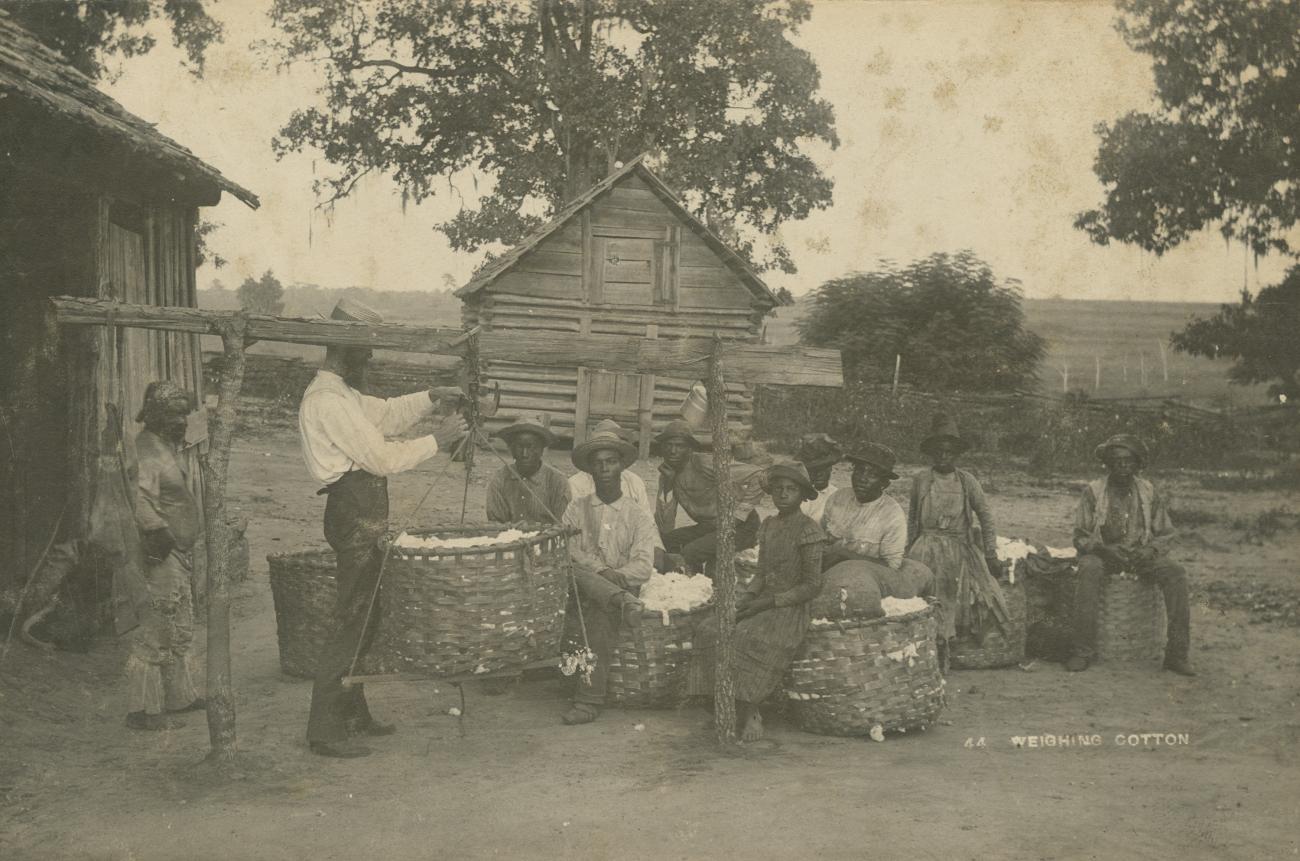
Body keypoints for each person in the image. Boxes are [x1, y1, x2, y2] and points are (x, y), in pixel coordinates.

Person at [298, 298, 468, 758]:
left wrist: (431, 396)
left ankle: (352, 713)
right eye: (365, 351)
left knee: (366, 614)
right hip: (353, 508)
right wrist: (440, 440)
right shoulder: (327, 401)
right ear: (343, 350)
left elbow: (387, 414)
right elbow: (382, 457)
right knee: (352, 616)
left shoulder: (345, 395)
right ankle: (325, 730)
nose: (370, 358)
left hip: (363, 506)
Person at [686, 461, 825, 742]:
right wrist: (747, 598)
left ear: (802, 495)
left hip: (790, 606)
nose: (784, 495)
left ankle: (751, 709)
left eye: (791, 490)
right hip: (762, 599)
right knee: (711, 628)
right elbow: (761, 572)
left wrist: (769, 602)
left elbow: (811, 585)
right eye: (778, 489)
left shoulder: (809, 530)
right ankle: (721, 703)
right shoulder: (769, 525)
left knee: (749, 636)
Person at [1067, 434, 1194, 675]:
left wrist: (1149, 550)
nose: (1123, 467)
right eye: (1117, 461)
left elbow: (1166, 533)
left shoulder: (1148, 492)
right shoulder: (1093, 492)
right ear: (1108, 464)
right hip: (1104, 554)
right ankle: (1082, 651)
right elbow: (1081, 535)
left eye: (1128, 461)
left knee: (1175, 573)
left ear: (1137, 465)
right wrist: (1104, 549)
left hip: (1139, 555)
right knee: (1088, 568)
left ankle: (1177, 654)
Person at [560, 420, 655, 725]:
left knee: (601, 614)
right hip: (591, 586)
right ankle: (617, 600)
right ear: (589, 470)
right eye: (598, 463)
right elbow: (568, 551)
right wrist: (601, 572)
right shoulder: (576, 508)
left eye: (611, 462)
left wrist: (616, 578)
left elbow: (643, 565)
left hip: (622, 586)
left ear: (621, 468)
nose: (604, 469)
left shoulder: (637, 515)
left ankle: (588, 700)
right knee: (571, 571)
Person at [126, 381, 203, 731]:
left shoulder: (166, 447)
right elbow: (141, 501)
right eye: (174, 415)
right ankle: (143, 710)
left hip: (179, 551)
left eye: (183, 415)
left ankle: (179, 698)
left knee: (179, 623)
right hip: (162, 551)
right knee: (158, 626)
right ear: (156, 416)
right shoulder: (147, 450)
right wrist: (162, 538)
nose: (182, 421)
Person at [906, 413, 1008, 659]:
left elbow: (985, 517)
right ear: (931, 453)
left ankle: (947, 642)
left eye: (949, 452)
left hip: (958, 547)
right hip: (925, 546)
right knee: (917, 593)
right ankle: (925, 643)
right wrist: (906, 552)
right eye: (938, 452)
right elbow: (912, 519)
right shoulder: (921, 480)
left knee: (968, 595)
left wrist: (991, 553)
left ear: (956, 454)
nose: (943, 456)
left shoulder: (967, 481)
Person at [821, 442, 935, 597]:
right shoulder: (838, 499)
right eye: (859, 471)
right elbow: (822, 539)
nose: (862, 479)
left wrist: (845, 554)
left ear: (884, 483)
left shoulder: (892, 515)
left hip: (866, 584)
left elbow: (891, 568)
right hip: (828, 575)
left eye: (872, 475)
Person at [654, 419, 766, 575]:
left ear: (690, 449)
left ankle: (702, 582)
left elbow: (759, 475)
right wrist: (668, 485)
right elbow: (666, 527)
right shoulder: (667, 474)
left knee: (691, 551)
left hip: (742, 527)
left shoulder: (704, 462)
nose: (673, 451)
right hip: (710, 527)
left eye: (679, 446)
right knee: (667, 541)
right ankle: (692, 580)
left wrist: (739, 515)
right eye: (668, 445)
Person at [568, 420, 668, 569]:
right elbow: (576, 535)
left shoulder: (634, 482)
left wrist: (656, 547)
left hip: (627, 550)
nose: (605, 467)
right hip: (592, 554)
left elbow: (647, 522)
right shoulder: (576, 484)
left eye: (611, 459)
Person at [485, 414, 570, 524]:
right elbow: (495, 523)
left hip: (546, 539)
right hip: (508, 539)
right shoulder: (500, 478)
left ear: (541, 450)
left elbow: (561, 526)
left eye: (531, 447)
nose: (525, 454)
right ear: (511, 449)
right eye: (519, 446)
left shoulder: (557, 481)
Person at [797, 433, 842, 523]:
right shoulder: (798, 491)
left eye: (823, 469)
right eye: (814, 470)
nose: (819, 474)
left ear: (830, 468)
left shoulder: (836, 496)